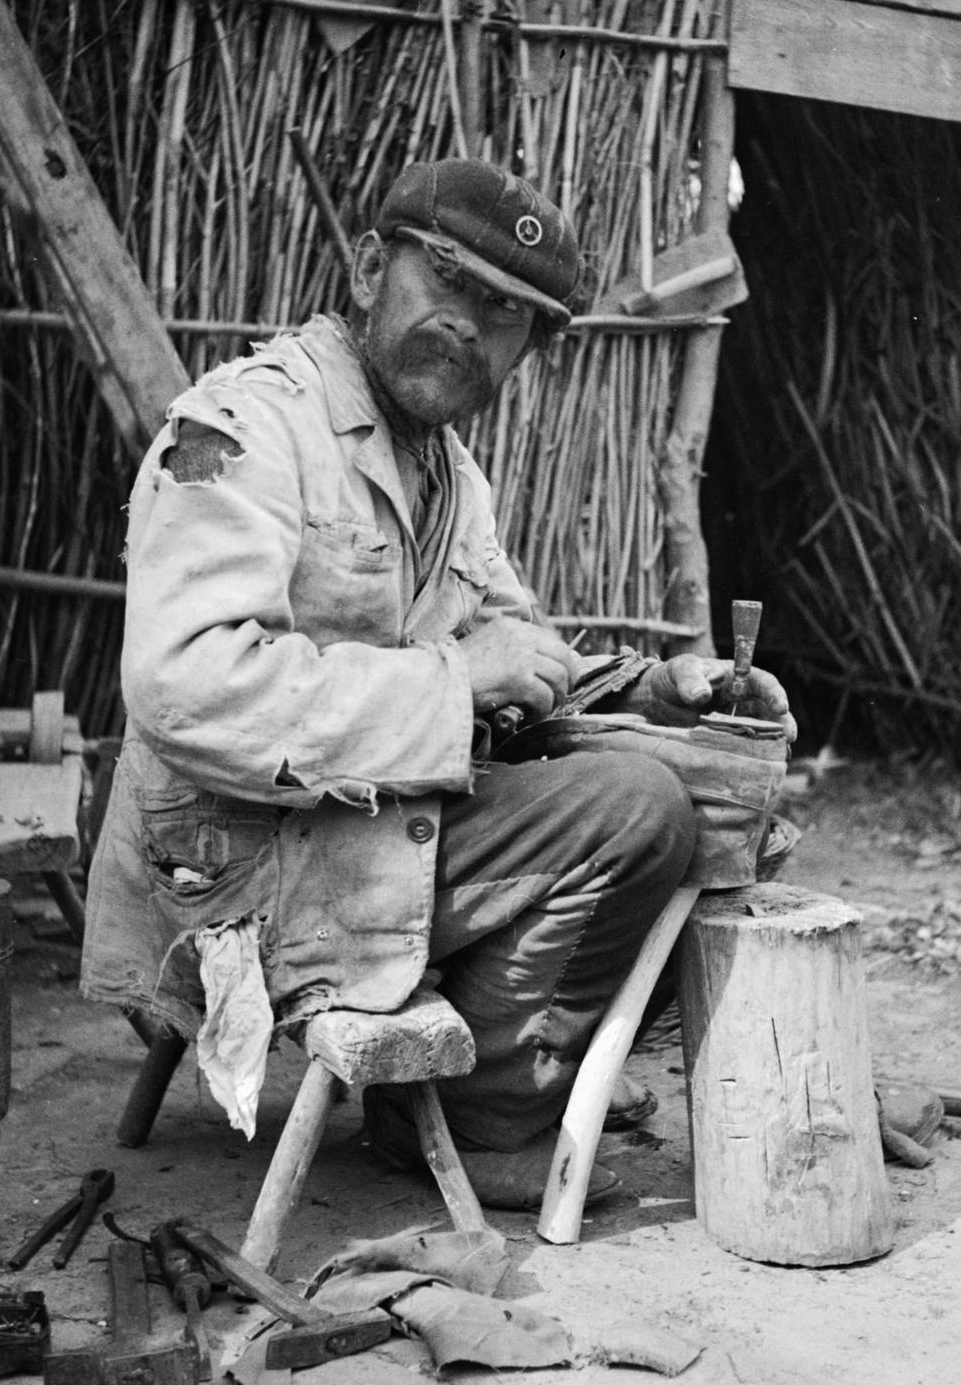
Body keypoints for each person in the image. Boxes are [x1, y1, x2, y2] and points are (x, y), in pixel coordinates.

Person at [81, 158, 794, 1209]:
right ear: (371, 268)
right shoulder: (245, 423)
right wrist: (456, 680)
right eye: (447, 283)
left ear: (526, 351)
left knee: (709, 782)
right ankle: (485, 1111)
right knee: (635, 810)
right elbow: (186, 687)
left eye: (505, 316)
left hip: (354, 825)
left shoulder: (452, 476)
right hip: (239, 859)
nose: (468, 325)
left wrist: (654, 689)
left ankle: (490, 1069)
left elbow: (518, 655)